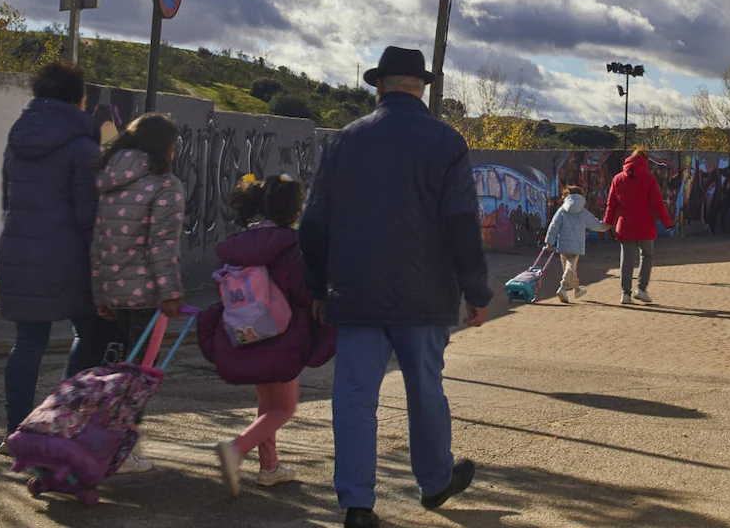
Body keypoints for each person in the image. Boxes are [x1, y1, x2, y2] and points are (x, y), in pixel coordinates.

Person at [299, 46, 493, 528]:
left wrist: (318, 288)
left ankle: (357, 504)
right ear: (421, 87)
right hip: (424, 295)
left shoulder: (344, 141)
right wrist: (476, 290)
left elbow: (312, 223)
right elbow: (461, 222)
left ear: (379, 85)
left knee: (354, 396)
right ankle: (434, 482)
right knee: (424, 389)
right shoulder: (446, 142)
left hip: (355, 291)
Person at [0, 62, 111, 453]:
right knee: (90, 331)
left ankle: (15, 431)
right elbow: (88, 216)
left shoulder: (17, 140)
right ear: (79, 100)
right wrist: (102, 264)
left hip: (17, 250)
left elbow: (7, 199)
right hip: (66, 258)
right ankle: (63, 418)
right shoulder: (82, 147)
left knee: (28, 342)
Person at [203, 174, 336, 496]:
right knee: (285, 407)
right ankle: (236, 448)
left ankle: (270, 467)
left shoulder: (243, 243)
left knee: (268, 404)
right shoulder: (291, 246)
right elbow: (304, 293)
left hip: (245, 332)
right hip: (280, 336)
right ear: (294, 209)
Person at [90, 112, 185, 474]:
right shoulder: (165, 185)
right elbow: (162, 245)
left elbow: (100, 242)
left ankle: (102, 441)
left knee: (112, 376)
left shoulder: (109, 181)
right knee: (139, 378)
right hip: (145, 296)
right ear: (165, 147)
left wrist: (101, 293)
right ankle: (121, 450)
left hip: (112, 294)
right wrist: (170, 292)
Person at [603, 147, 674, 305]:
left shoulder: (618, 179)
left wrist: (608, 222)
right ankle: (641, 289)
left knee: (626, 260)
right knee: (647, 256)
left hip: (624, 226)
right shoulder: (649, 179)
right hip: (645, 226)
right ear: (645, 161)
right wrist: (667, 222)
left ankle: (625, 293)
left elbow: (611, 204)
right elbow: (657, 203)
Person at [544, 185, 610, 303]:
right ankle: (563, 287)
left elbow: (553, 226)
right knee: (570, 267)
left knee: (568, 268)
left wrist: (549, 242)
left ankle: (576, 289)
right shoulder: (583, 211)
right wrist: (606, 226)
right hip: (577, 245)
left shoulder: (562, 209)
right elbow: (595, 224)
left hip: (563, 244)